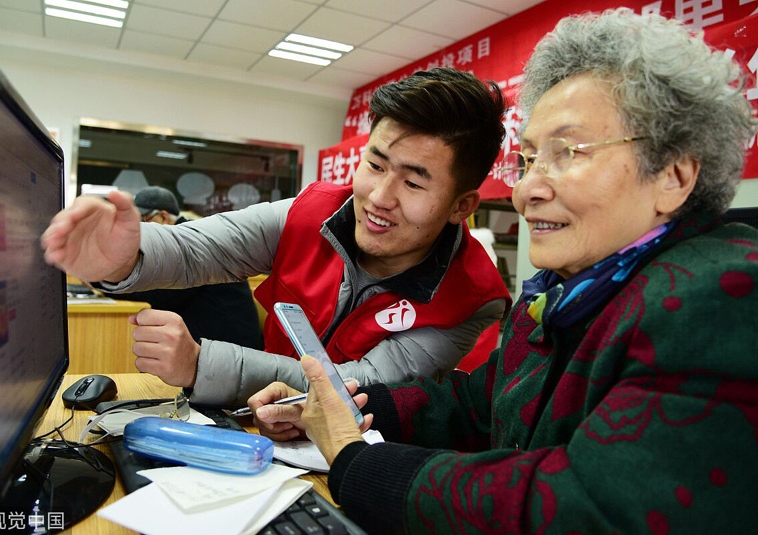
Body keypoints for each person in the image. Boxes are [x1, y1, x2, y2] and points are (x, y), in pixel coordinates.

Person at [247, 9, 758, 534]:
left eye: (568, 152)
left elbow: (584, 507)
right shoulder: (566, 295)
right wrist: (339, 407)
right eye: (530, 158)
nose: (526, 190)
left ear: (673, 176)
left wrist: (355, 458)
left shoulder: (727, 298)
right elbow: (479, 406)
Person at [41, 68, 512, 406]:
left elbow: (358, 386)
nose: (379, 197)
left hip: (367, 457)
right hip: (266, 424)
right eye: (375, 165)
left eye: (413, 182)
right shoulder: (313, 212)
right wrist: (126, 257)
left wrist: (201, 366)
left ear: (461, 206)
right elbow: (201, 247)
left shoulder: (471, 299)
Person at [102, 186, 264, 350]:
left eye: (142, 220)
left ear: (163, 217)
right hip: (212, 339)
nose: (136, 229)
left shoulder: (192, 241)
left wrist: (108, 285)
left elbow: (162, 293)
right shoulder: (180, 240)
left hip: (232, 348)